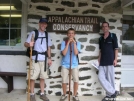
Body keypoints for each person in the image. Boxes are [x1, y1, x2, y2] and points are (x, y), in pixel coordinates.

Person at [24, 18, 52, 101]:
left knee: (42, 77)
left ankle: (42, 94)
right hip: (34, 58)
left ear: (46, 25)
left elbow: (49, 47)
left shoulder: (47, 35)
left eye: (45, 24)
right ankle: (32, 94)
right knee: (33, 77)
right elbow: (25, 44)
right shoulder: (33, 33)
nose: (43, 25)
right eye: (42, 23)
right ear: (39, 24)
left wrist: (50, 58)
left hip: (44, 59)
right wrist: (29, 44)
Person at [98, 22, 118, 101]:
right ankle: (113, 92)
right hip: (102, 61)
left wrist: (115, 59)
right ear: (102, 28)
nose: (104, 28)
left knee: (110, 79)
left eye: (106, 26)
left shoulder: (113, 36)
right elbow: (100, 50)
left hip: (110, 60)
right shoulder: (101, 38)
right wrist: (99, 59)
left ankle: (109, 96)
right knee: (100, 77)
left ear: (108, 27)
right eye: (103, 27)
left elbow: (116, 49)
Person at [60, 28, 81, 101]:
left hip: (74, 64)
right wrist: (68, 43)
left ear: (74, 34)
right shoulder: (64, 43)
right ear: (67, 34)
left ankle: (75, 95)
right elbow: (64, 53)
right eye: (69, 33)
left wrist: (74, 44)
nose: (71, 35)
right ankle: (64, 94)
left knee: (76, 80)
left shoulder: (78, 43)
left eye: (72, 33)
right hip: (65, 65)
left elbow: (76, 53)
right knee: (64, 80)